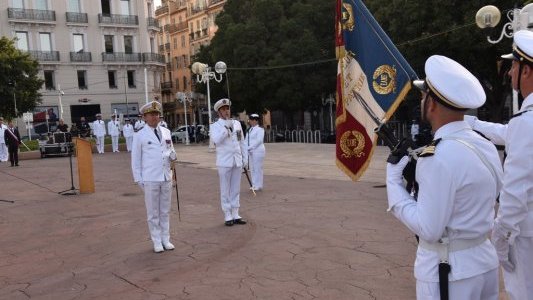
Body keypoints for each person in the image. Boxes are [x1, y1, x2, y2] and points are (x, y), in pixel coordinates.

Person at [386, 55, 503, 299]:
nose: (422, 101)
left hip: (448, 270)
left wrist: (394, 185)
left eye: (423, 95)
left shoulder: (436, 157)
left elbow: (429, 229)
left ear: (431, 104)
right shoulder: (485, 146)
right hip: (483, 262)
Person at [465, 30, 533, 300]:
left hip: (526, 235)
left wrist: (502, 235)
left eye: (514, 66)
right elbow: (511, 134)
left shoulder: (525, 123)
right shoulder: (524, 123)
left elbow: (515, 193)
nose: (509, 72)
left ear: (526, 71)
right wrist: (474, 124)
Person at [131, 101, 177, 253]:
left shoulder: (166, 132)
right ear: (144, 117)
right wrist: (138, 179)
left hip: (166, 176)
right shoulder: (139, 135)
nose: (154, 117)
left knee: (165, 211)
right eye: (151, 115)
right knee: (153, 213)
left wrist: (173, 155)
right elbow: (136, 160)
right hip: (150, 178)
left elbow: (170, 150)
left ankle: (166, 239)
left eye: (157, 114)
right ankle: (157, 241)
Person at [210, 98, 248, 226]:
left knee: (236, 188)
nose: (226, 111)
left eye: (227, 109)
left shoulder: (237, 124)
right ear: (218, 112)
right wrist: (226, 128)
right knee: (225, 189)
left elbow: (241, 141)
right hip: (224, 162)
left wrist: (245, 159)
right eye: (223, 109)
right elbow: (216, 140)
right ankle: (227, 214)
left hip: (236, 160)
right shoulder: (215, 126)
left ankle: (236, 213)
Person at [247, 114, 266, 191]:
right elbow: (246, 140)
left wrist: (250, 147)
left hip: (258, 151)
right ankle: (254, 184)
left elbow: (259, 141)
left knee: (258, 168)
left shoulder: (260, 130)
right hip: (251, 151)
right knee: (252, 168)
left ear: (255, 120)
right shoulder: (250, 129)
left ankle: (259, 185)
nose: (250, 121)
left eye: (251, 120)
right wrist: (244, 148)